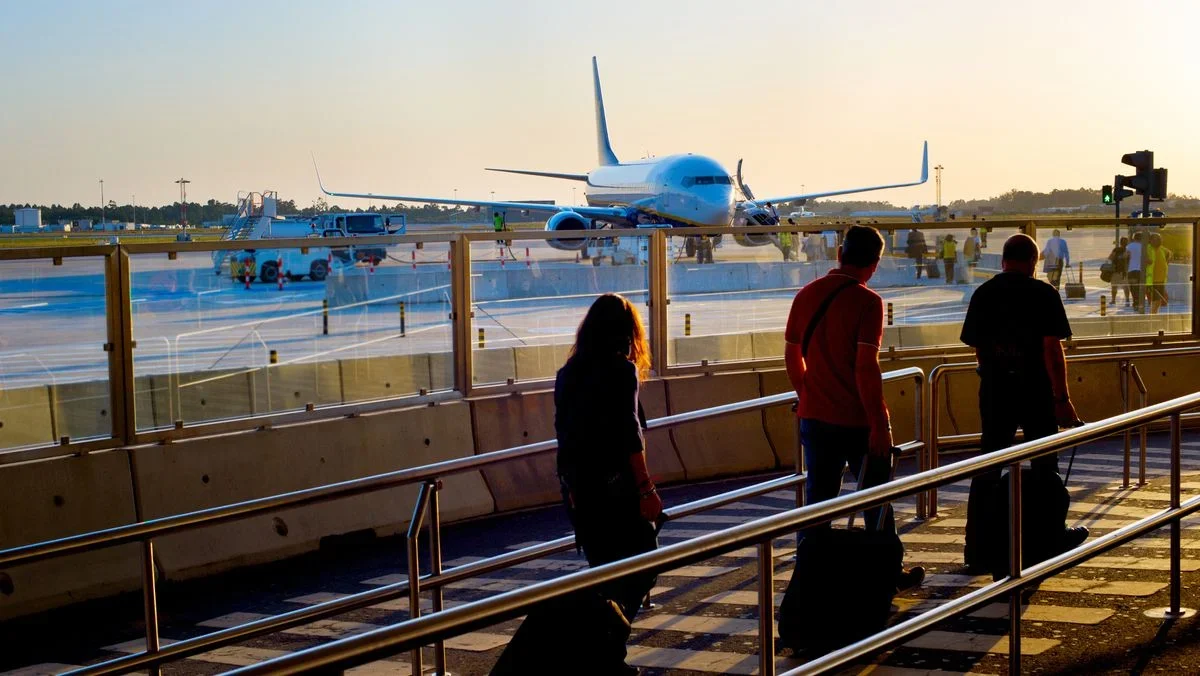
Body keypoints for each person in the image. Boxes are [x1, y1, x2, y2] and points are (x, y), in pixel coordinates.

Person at [784, 224, 923, 592]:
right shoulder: (868, 302)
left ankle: (810, 579)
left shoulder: (806, 295)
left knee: (818, 502)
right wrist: (880, 422)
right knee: (876, 497)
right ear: (874, 264)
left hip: (815, 417)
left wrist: (807, 391)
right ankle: (887, 573)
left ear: (840, 254)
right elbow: (865, 368)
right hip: (857, 420)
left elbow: (792, 354)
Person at [960, 234, 1088, 569]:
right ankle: (1050, 536)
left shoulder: (984, 293)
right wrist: (1062, 398)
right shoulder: (1043, 293)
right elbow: (1052, 351)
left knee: (988, 464)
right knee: (1044, 464)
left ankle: (976, 547)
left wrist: (992, 371)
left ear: (1003, 260)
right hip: (1036, 392)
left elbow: (978, 347)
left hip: (995, 391)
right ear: (1033, 261)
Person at [555, 293, 661, 673]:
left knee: (605, 571)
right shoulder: (621, 371)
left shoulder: (568, 374)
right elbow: (629, 435)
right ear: (626, 332)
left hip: (581, 490)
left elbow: (563, 435)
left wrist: (571, 488)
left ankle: (606, 655)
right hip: (617, 487)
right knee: (644, 561)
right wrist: (646, 489)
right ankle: (607, 649)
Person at [1144, 232, 1171, 314]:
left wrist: (1166, 262)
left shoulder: (1162, 249)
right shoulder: (1148, 248)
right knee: (1155, 300)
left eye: (1159, 239)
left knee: (1159, 300)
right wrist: (1146, 260)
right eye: (1155, 239)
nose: (1158, 240)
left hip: (1161, 279)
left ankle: (1154, 315)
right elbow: (1143, 258)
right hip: (1152, 279)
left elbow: (1169, 254)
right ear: (1150, 240)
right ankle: (1152, 315)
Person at [1107, 237, 1130, 307]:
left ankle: (1113, 300)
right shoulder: (1128, 250)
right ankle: (1127, 300)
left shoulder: (1116, 250)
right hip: (1125, 271)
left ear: (1120, 243)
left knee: (1114, 286)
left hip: (1116, 271)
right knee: (1126, 286)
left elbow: (1110, 258)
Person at [1126, 231, 1146, 313]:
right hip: (1141, 271)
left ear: (1134, 238)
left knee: (1133, 288)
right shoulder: (1143, 247)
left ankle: (1136, 303)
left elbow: (1125, 257)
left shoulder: (1129, 246)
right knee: (1140, 288)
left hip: (1131, 270)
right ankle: (1140, 303)